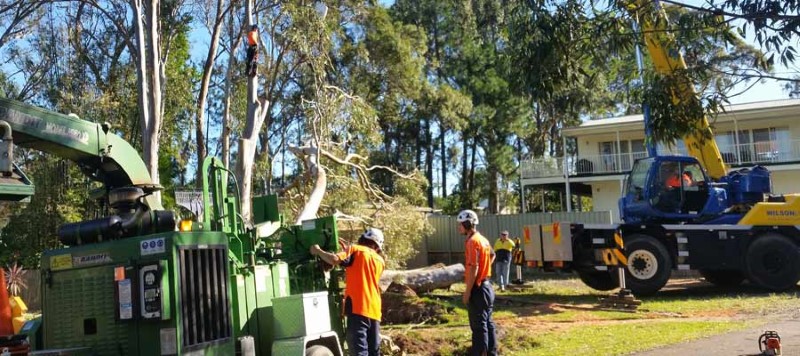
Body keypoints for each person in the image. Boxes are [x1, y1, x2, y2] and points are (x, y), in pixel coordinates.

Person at [310, 228, 386, 356]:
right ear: (377, 246)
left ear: (363, 239)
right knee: (374, 352)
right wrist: (346, 249)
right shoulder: (380, 261)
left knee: (359, 351)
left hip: (358, 308)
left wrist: (318, 251)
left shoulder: (355, 249)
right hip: (374, 310)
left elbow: (334, 259)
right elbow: (359, 266)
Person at [457, 209, 497, 356]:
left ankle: (480, 352)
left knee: (478, 326)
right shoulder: (483, 239)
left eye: (460, 224)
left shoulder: (472, 242)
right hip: (487, 286)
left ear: (467, 224)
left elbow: (474, 266)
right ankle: (492, 352)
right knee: (488, 323)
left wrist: (467, 292)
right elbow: (492, 255)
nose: (459, 227)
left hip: (478, 288)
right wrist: (485, 269)